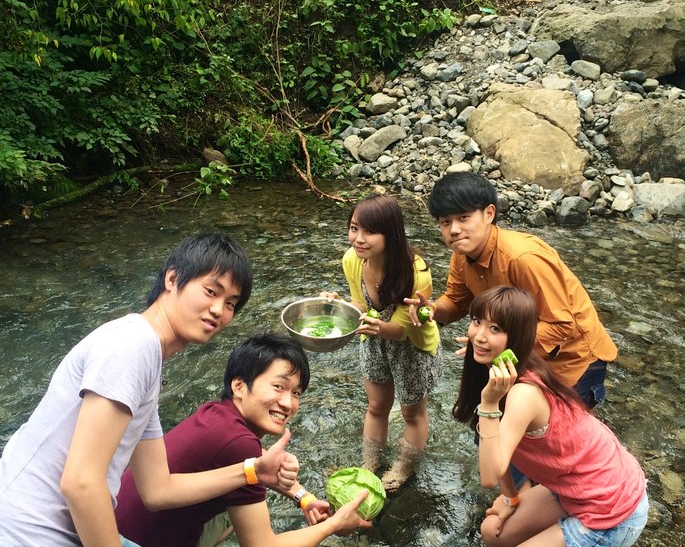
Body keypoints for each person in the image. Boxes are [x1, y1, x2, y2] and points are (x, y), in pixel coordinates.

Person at [0, 233, 297, 546]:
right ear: (173, 278)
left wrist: (252, 472)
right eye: (211, 291)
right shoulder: (133, 346)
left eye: (230, 304)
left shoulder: (146, 359)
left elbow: (158, 489)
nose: (218, 310)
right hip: (26, 532)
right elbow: (81, 481)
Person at [115, 333, 371, 547]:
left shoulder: (217, 413)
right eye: (278, 387)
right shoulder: (239, 445)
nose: (288, 403)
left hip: (114, 521)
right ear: (239, 386)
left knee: (229, 518)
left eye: (296, 393)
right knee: (244, 520)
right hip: (135, 542)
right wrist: (333, 525)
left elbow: (253, 459)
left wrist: (303, 497)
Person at [453, 287, 648, 547]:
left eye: (495, 329)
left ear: (517, 338)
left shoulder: (523, 393)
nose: (479, 336)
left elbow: (488, 476)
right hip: (576, 488)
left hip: (612, 509)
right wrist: (510, 497)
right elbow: (497, 447)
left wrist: (488, 403)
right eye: (477, 322)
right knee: (492, 533)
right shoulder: (500, 377)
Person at [407, 172, 617, 408]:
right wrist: (434, 310)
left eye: (464, 217)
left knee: (561, 441)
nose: (454, 230)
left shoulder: (523, 258)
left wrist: (493, 344)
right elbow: (456, 301)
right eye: (445, 222)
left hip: (573, 361)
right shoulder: (462, 254)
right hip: (521, 355)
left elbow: (561, 325)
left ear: (489, 214)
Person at [321, 194, 442, 492]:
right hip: (374, 339)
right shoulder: (352, 259)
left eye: (369, 232)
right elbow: (360, 304)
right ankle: (370, 463)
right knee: (376, 406)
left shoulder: (416, 270)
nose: (358, 239)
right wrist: (341, 308)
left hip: (411, 346)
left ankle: (403, 467)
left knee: (412, 413)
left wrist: (376, 326)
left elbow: (401, 330)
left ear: (391, 234)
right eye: (353, 228)